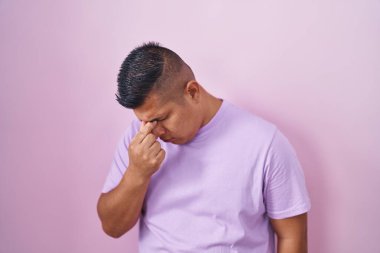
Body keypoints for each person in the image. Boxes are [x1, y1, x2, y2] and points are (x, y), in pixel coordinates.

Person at [96, 42, 311, 253]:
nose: (154, 132)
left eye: (160, 118)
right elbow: (112, 228)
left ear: (192, 92)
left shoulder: (265, 144)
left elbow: (291, 235)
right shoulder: (138, 142)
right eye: (144, 121)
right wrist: (137, 172)